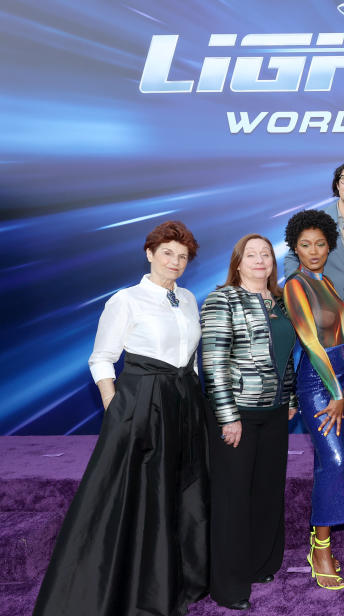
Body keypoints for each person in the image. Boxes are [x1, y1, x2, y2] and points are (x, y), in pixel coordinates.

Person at [34, 221, 208, 616]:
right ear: (149, 254)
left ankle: (174, 582)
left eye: (182, 256)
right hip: (142, 402)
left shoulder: (189, 298)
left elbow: (190, 358)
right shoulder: (126, 300)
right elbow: (101, 358)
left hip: (184, 403)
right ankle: (124, 592)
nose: (175, 262)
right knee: (133, 497)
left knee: (179, 491)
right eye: (167, 253)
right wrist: (117, 407)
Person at [201, 234, 298, 611]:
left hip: (274, 413)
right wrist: (228, 416)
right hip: (236, 414)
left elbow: (287, 356)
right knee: (233, 499)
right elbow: (213, 362)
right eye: (251, 255)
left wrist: (289, 399)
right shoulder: (221, 299)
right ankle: (228, 585)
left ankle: (261, 564)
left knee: (266, 492)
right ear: (238, 262)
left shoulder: (282, 302)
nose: (260, 260)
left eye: (266, 254)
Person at [283, 158, 344, 471]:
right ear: (337, 182)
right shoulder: (316, 219)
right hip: (327, 324)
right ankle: (333, 457)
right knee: (328, 387)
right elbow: (291, 263)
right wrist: (310, 296)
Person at [283, 210, 344, 590]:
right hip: (320, 381)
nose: (313, 251)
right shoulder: (295, 285)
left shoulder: (328, 281)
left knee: (337, 460)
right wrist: (338, 392)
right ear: (294, 247)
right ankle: (320, 546)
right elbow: (312, 342)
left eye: (319, 244)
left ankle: (324, 538)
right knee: (333, 458)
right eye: (304, 245)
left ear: (329, 245)